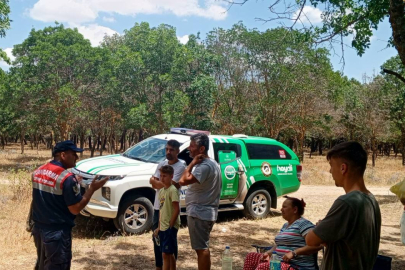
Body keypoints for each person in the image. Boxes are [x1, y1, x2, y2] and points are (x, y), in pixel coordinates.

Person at [31, 140, 108, 270]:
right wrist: (92, 189)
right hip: (57, 234)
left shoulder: (38, 171)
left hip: (39, 230)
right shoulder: (66, 178)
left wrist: (73, 184)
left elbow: (47, 196)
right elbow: (75, 209)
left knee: (43, 264)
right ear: (63, 155)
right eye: (73, 153)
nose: (76, 157)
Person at [306, 141, 382, 270]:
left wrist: (320, 226)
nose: (330, 171)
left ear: (343, 168)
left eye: (331, 166)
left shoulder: (347, 202)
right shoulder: (372, 201)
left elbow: (310, 240)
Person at [179, 133, 222, 270]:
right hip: (205, 212)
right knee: (202, 247)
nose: (189, 149)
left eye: (192, 146)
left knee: (201, 249)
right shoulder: (213, 163)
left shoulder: (203, 166)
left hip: (200, 213)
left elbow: (182, 180)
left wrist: (191, 163)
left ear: (202, 149)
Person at [243, 197, 321, 270]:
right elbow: (279, 244)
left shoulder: (303, 224)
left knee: (265, 267)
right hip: (280, 262)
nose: (281, 209)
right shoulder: (285, 225)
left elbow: (317, 245)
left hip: (297, 266)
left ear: (295, 209)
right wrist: (269, 252)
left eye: (284, 207)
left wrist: (294, 253)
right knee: (251, 256)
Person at [149, 140, 186, 270]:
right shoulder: (162, 163)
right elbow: (151, 181)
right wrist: (159, 182)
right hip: (158, 208)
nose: (168, 152)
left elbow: (172, 185)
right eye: (167, 149)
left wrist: (159, 182)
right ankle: (159, 266)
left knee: (170, 244)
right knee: (157, 238)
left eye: (171, 150)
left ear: (177, 151)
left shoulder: (181, 166)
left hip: (169, 211)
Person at [153, 165, 181, 270]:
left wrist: (171, 225)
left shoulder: (172, 190)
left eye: (165, 176)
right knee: (169, 252)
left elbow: (176, 209)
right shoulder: (161, 191)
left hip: (170, 226)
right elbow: (161, 209)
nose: (162, 178)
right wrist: (159, 227)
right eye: (161, 175)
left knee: (165, 254)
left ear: (171, 176)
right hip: (163, 226)